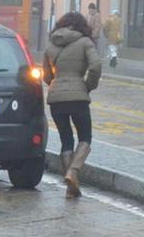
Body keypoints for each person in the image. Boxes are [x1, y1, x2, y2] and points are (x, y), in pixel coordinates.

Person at [43, 11, 101, 198]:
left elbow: (46, 76)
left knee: (66, 139)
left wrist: (56, 83)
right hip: (78, 97)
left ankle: (70, 187)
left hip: (56, 99)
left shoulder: (51, 44)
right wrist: (88, 86)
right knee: (85, 137)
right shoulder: (85, 42)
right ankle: (73, 172)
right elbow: (96, 66)